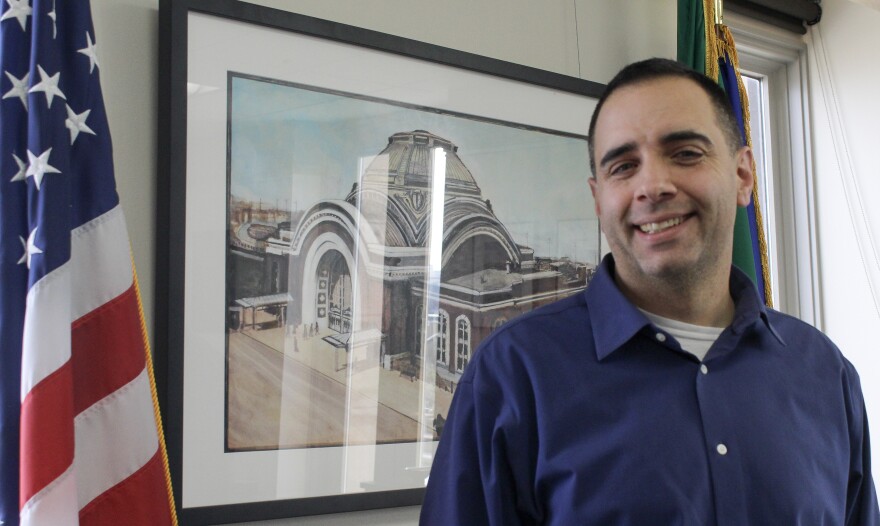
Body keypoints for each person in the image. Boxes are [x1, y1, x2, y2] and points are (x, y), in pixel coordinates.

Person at [419, 58, 879, 525]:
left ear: (743, 175)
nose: (652, 186)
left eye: (685, 154)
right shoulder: (513, 376)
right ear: (598, 198)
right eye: (623, 166)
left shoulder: (825, 374)